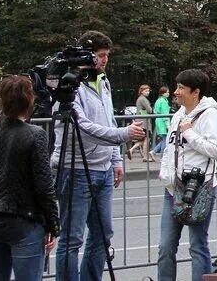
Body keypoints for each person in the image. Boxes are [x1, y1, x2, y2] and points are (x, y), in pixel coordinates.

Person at [52, 30, 145, 281]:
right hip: (76, 168)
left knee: (103, 234)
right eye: (100, 55)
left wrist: (116, 159)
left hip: (102, 168)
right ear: (87, 55)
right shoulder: (70, 83)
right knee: (72, 239)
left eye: (107, 56)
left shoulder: (102, 80)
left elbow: (107, 117)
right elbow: (81, 128)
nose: (104, 60)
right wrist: (123, 134)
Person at [0, 76, 59, 281]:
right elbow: (43, 185)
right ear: (30, 100)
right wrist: (53, 224)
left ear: (2, 99)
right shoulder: (35, 135)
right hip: (23, 219)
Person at [157, 69, 217, 281]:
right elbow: (170, 149)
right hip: (173, 188)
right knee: (165, 246)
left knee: (197, 245)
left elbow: (216, 150)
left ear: (195, 92)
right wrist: (166, 174)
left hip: (199, 188)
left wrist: (189, 133)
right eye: (176, 87)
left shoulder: (210, 114)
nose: (176, 92)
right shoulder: (179, 114)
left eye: (181, 88)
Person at [128, 85, 154, 162]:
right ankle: (145, 157)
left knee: (143, 139)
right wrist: (150, 108)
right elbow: (149, 110)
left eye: (148, 91)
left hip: (141, 121)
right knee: (146, 138)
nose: (148, 92)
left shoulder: (140, 99)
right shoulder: (143, 99)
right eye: (146, 91)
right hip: (144, 122)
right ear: (142, 91)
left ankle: (132, 150)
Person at [152, 87, 171, 156]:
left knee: (164, 139)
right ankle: (163, 156)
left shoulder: (158, 100)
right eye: (166, 92)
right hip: (163, 121)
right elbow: (165, 113)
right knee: (165, 139)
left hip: (158, 120)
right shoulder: (163, 102)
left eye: (168, 92)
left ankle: (154, 151)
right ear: (162, 93)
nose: (168, 94)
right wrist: (167, 124)